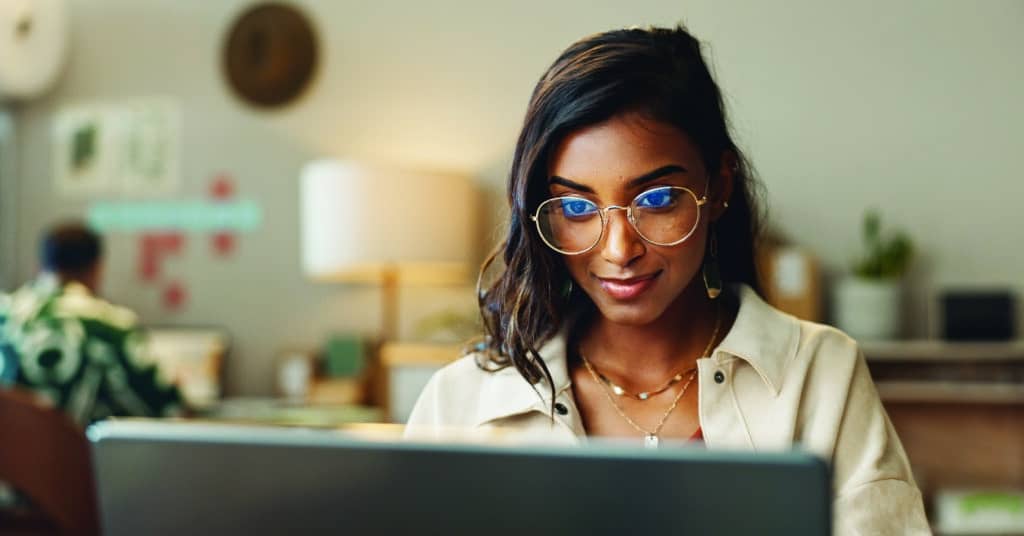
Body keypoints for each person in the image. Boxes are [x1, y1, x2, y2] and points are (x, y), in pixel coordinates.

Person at [405, 26, 930, 533]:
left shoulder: (819, 375)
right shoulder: (463, 400)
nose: (618, 250)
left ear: (719, 185)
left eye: (655, 200)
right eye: (575, 205)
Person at [0, 222, 183, 426]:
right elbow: (166, 407)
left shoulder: (5, 317)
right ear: (97, 268)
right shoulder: (114, 325)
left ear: (40, 265)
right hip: (84, 456)